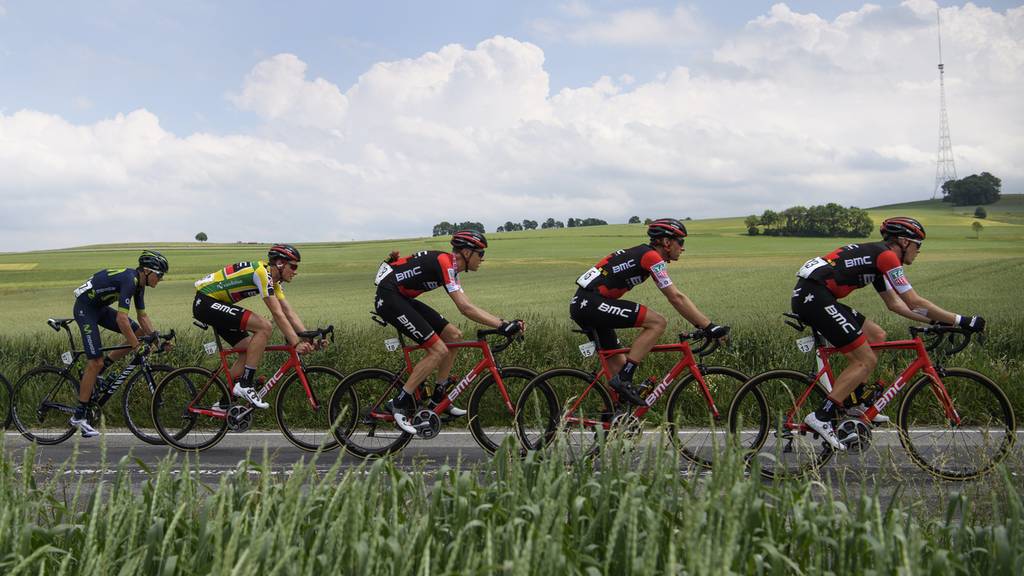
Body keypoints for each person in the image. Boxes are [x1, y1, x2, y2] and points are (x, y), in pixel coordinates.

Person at [792, 217, 985, 450]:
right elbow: (913, 300)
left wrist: (936, 321)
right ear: (904, 241)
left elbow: (896, 305)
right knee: (865, 360)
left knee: (876, 336)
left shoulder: (879, 257)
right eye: (917, 245)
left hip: (816, 295)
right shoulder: (886, 257)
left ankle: (856, 405)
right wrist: (962, 320)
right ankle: (822, 416)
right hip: (815, 297)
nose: (918, 251)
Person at [374, 230, 523, 434]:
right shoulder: (445, 262)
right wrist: (500, 325)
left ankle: (438, 397)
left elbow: (466, 304)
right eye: (480, 253)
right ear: (466, 252)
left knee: (454, 336)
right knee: (438, 351)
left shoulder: (449, 266)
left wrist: (502, 323)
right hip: (390, 299)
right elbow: (465, 308)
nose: (483, 258)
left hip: (401, 297)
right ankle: (399, 402)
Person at [570, 218, 730, 405]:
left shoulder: (644, 254)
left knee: (619, 371)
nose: (683, 248)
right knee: (657, 323)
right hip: (590, 303)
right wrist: (709, 326)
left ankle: (610, 422)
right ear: (666, 242)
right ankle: (625, 378)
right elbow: (676, 297)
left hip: (586, 303)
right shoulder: (651, 257)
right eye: (681, 242)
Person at [192, 244, 316, 408]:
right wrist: (296, 343)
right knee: (264, 327)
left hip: (216, 304)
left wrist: (308, 337)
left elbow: (288, 311)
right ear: (279, 263)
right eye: (292, 266)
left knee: (249, 349)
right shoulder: (262, 273)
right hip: (206, 301)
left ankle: (224, 403)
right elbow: (277, 313)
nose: (295, 271)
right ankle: (245, 384)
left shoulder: (273, 282)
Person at [70, 250, 170, 437]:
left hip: (99, 307)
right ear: (147, 271)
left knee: (139, 334)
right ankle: (78, 416)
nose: (160, 279)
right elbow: (122, 320)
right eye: (160, 275)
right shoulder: (130, 281)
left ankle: (103, 368)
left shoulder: (140, 285)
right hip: (85, 309)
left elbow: (142, 317)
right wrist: (137, 348)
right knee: (95, 361)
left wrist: (157, 340)